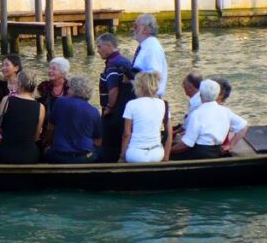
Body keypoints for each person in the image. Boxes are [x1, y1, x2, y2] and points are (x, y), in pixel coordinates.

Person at [171, 79, 248, 160]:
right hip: (217, 152)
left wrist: (169, 151)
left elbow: (187, 144)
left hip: (198, 153)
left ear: (200, 95)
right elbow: (244, 126)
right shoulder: (226, 111)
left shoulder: (197, 113)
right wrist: (230, 145)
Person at [96, 33, 135, 163]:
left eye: (100, 46)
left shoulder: (112, 65)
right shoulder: (125, 61)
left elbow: (113, 89)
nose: (98, 50)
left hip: (115, 112)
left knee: (110, 145)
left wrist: (109, 108)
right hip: (126, 109)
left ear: (109, 45)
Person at [45, 76, 102, 164]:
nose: (67, 91)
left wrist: (48, 145)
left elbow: (50, 128)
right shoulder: (94, 111)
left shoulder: (60, 102)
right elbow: (98, 142)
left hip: (59, 155)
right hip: (84, 157)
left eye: (69, 88)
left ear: (73, 90)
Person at [120, 71, 172, 163]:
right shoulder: (164, 104)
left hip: (135, 154)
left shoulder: (131, 104)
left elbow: (126, 134)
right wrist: (166, 157)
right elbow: (169, 133)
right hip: (157, 153)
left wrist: (122, 157)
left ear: (140, 87)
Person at [0, 71, 45, 164]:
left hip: (6, 153)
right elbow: (36, 137)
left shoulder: (7, 100)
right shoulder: (40, 107)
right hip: (29, 156)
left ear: (19, 84)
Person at [131, 13, 168, 96]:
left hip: (150, 98)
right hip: (143, 98)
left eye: (136, 26)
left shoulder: (152, 48)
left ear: (146, 29)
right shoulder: (145, 46)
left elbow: (153, 78)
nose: (133, 29)